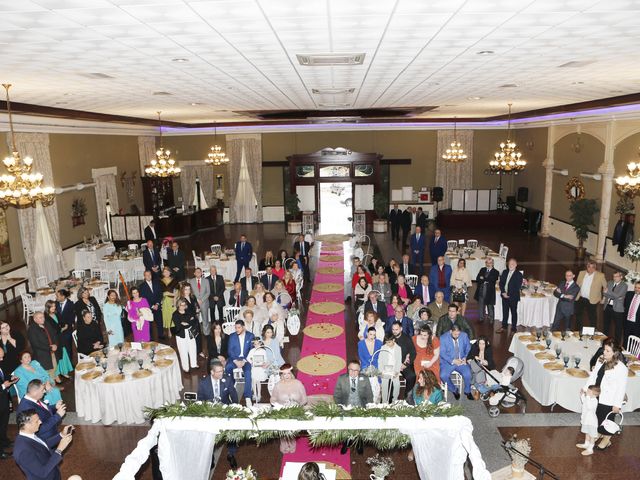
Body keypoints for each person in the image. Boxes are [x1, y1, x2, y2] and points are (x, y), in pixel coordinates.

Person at [582, 338, 628, 451]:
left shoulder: (621, 368)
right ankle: (599, 433)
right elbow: (594, 375)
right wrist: (586, 388)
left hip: (609, 398)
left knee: (607, 420)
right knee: (597, 417)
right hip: (597, 394)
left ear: (615, 352)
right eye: (604, 350)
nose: (604, 353)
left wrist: (617, 404)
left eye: (608, 351)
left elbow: (621, 388)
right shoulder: (601, 359)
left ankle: (607, 439)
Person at [196, 360, 239, 469]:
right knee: (210, 435)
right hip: (210, 412)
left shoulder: (227, 380)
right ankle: (210, 457)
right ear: (212, 372)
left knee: (231, 431)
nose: (221, 374)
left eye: (222, 371)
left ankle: (231, 454)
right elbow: (200, 400)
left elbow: (234, 395)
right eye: (219, 372)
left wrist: (235, 408)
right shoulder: (203, 383)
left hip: (225, 410)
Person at [13, 409, 73, 480]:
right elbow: (42, 472)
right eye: (37, 421)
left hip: (53, 473)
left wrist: (61, 435)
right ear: (27, 425)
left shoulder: (29, 434)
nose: (40, 422)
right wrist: (59, 449)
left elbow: (43, 445)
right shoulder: (23, 451)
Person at [270, 364, 308, 453]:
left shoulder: (298, 383)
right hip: (282, 412)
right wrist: (275, 404)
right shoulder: (278, 385)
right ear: (281, 375)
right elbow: (273, 398)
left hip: (296, 411)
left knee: (292, 430)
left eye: (288, 373)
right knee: (283, 429)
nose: (287, 376)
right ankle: (283, 442)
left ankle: (292, 442)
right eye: (284, 374)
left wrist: (298, 407)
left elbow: (305, 399)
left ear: (291, 374)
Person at [439, 324, 473, 400]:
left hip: (461, 361)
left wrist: (465, 358)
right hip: (448, 362)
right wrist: (453, 361)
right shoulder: (443, 338)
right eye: (455, 334)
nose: (457, 336)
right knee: (443, 376)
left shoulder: (464, 336)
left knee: (468, 374)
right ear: (450, 331)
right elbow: (442, 353)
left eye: (458, 334)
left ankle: (467, 391)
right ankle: (454, 389)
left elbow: (469, 348)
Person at [225, 320, 255, 401]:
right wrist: (235, 361)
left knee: (248, 372)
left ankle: (248, 396)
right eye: (236, 328)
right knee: (228, 368)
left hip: (246, 359)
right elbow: (230, 350)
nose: (237, 329)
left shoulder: (250, 336)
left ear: (243, 327)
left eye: (239, 328)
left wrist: (244, 361)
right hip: (234, 359)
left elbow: (252, 350)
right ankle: (231, 390)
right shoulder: (232, 336)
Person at [27, 312, 60, 380]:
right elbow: (36, 344)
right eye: (40, 317)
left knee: (54, 365)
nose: (43, 319)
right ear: (35, 319)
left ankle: (55, 377)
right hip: (43, 354)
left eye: (43, 317)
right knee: (48, 370)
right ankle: (52, 385)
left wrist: (56, 344)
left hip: (52, 350)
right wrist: (50, 347)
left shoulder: (46, 324)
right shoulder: (32, 329)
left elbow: (54, 334)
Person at [42, 303, 72, 380]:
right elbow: (51, 330)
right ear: (48, 307)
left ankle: (64, 371)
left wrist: (64, 325)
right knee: (58, 355)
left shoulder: (56, 313)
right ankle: (58, 373)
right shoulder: (46, 318)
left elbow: (60, 322)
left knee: (63, 352)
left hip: (60, 337)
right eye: (52, 306)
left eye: (54, 306)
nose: (54, 308)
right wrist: (62, 329)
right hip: (55, 338)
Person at [575, 260, 607, 330]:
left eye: (593, 267)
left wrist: (604, 298)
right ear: (587, 266)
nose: (591, 269)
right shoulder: (581, 273)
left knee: (592, 317)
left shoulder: (600, 275)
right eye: (589, 267)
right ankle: (577, 331)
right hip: (580, 298)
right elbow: (577, 285)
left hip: (592, 299)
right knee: (578, 316)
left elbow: (605, 287)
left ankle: (593, 332)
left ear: (595, 268)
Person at [497, 258, 524, 334]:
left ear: (516, 265)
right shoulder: (505, 272)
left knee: (513, 312)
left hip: (513, 297)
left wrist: (508, 294)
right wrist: (503, 292)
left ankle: (513, 328)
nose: (510, 265)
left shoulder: (519, 274)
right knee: (505, 312)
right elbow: (501, 283)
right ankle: (504, 326)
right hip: (504, 296)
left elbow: (517, 287)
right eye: (509, 264)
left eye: (512, 264)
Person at [172, 299, 199, 373]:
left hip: (190, 332)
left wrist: (185, 322)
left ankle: (194, 364)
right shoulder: (175, 314)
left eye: (184, 305)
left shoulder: (188, 311)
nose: (183, 307)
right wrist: (187, 321)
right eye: (181, 305)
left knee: (193, 348)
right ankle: (185, 367)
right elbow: (178, 326)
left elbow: (194, 321)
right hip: (181, 335)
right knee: (183, 350)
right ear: (178, 305)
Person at [0, 348, 18, 459]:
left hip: (3, 400)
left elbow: (3, 375)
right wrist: (3, 386)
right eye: (0, 357)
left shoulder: (1, 364)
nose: (2, 359)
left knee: (3, 422)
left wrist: (11, 378)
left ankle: (4, 441)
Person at [189, 267, 211, 355]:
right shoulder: (191, 281)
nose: (198, 273)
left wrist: (202, 299)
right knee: (196, 319)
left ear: (201, 273)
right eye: (197, 272)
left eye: (200, 272)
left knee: (205, 318)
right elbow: (190, 292)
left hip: (204, 302)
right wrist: (196, 299)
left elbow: (208, 292)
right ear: (194, 273)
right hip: (195, 303)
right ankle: (196, 332)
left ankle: (206, 333)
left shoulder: (206, 281)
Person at [391, 321, 416, 394]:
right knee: (389, 378)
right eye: (393, 329)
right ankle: (390, 397)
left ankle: (406, 394)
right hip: (393, 365)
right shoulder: (389, 337)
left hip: (404, 364)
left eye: (396, 329)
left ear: (401, 329)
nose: (394, 331)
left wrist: (405, 364)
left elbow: (413, 353)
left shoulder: (407, 339)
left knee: (411, 376)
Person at [602, 271, 627, 342]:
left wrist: (609, 292)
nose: (614, 278)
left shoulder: (624, 285)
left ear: (621, 277)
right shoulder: (610, 282)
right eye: (614, 276)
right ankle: (605, 341)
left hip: (618, 309)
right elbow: (605, 293)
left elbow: (618, 295)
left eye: (617, 276)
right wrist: (614, 295)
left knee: (618, 328)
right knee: (606, 326)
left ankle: (617, 344)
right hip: (607, 306)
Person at [139, 270, 164, 341]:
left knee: (159, 321)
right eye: (146, 275)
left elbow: (160, 294)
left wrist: (157, 304)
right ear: (144, 276)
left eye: (149, 275)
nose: (148, 276)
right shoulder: (142, 286)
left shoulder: (157, 283)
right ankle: (151, 337)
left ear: (151, 275)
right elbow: (143, 298)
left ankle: (161, 335)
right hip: (148, 307)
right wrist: (152, 306)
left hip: (157, 305)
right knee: (149, 323)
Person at [576, 385, 600, 456]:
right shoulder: (588, 398)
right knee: (587, 432)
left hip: (592, 422)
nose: (587, 392)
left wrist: (587, 397)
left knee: (592, 435)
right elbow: (584, 402)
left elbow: (589, 407)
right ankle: (586, 444)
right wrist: (582, 395)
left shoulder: (594, 400)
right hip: (586, 420)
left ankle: (590, 449)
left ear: (594, 393)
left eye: (589, 391)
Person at [379, 333, 402, 403]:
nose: (387, 344)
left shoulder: (398, 348)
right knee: (384, 385)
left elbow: (399, 361)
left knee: (397, 385)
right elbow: (380, 360)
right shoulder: (383, 347)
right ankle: (384, 402)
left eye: (389, 342)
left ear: (393, 340)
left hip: (394, 370)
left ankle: (394, 401)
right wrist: (381, 371)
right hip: (385, 370)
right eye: (386, 342)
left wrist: (397, 372)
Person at [474, 258, 499, 323]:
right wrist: (485, 280)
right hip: (481, 289)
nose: (488, 264)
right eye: (487, 263)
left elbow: (492, 280)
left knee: (490, 305)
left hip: (490, 291)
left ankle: (491, 318)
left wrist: (483, 278)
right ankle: (481, 317)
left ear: (493, 263)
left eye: (490, 263)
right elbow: (477, 278)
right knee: (481, 304)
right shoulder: (482, 269)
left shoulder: (496, 272)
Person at [54, 290, 75, 367]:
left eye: (58, 296)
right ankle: (63, 364)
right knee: (60, 347)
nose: (56, 297)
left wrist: (67, 326)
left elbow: (72, 318)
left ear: (63, 297)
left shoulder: (71, 304)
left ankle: (70, 364)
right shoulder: (55, 304)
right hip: (58, 330)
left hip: (67, 330)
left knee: (68, 347)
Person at [160, 267, 179, 338]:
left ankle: (176, 329)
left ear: (170, 272)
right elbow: (162, 293)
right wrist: (170, 294)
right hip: (165, 301)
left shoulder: (174, 280)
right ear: (162, 273)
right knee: (167, 315)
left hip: (173, 300)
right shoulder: (160, 282)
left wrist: (175, 298)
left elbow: (177, 291)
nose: (166, 273)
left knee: (174, 315)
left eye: (167, 271)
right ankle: (169, 330)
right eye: (164, 272)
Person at [623, 281, 640, 346]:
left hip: (637, 324)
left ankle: (631, 355)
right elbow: (625, 305)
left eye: (639, 288)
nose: (636, 289)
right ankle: (623, 354)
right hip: (627, 321)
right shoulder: (629, 294)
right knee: (625, 340)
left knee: (634, 343)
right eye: (635, 287)